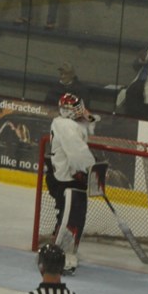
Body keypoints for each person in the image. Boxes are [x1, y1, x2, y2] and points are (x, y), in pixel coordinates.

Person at [45, 94, 97, 276]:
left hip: (68, 178)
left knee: (72, 219)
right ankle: (59, 259)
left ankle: (61, 255)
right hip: (68, 180)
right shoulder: (66, 126)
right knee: (70, 221)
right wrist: (90, 169)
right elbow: (77, 153)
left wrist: (87, 115)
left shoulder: (68, 122)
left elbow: (90, 124)